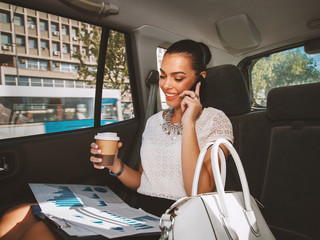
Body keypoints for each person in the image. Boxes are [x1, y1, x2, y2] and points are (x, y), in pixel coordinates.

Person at [0, 39, 234, 239]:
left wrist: (189, 123)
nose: (167, 85)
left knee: (42, 232)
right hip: (138, 210)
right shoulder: (154, 121)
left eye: (178, 77)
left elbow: (200, 192)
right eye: (163, 76)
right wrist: (115, 165)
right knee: (19, 213)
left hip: (179, 223)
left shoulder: (216, 121)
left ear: (199, 78)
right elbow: (144, 182)